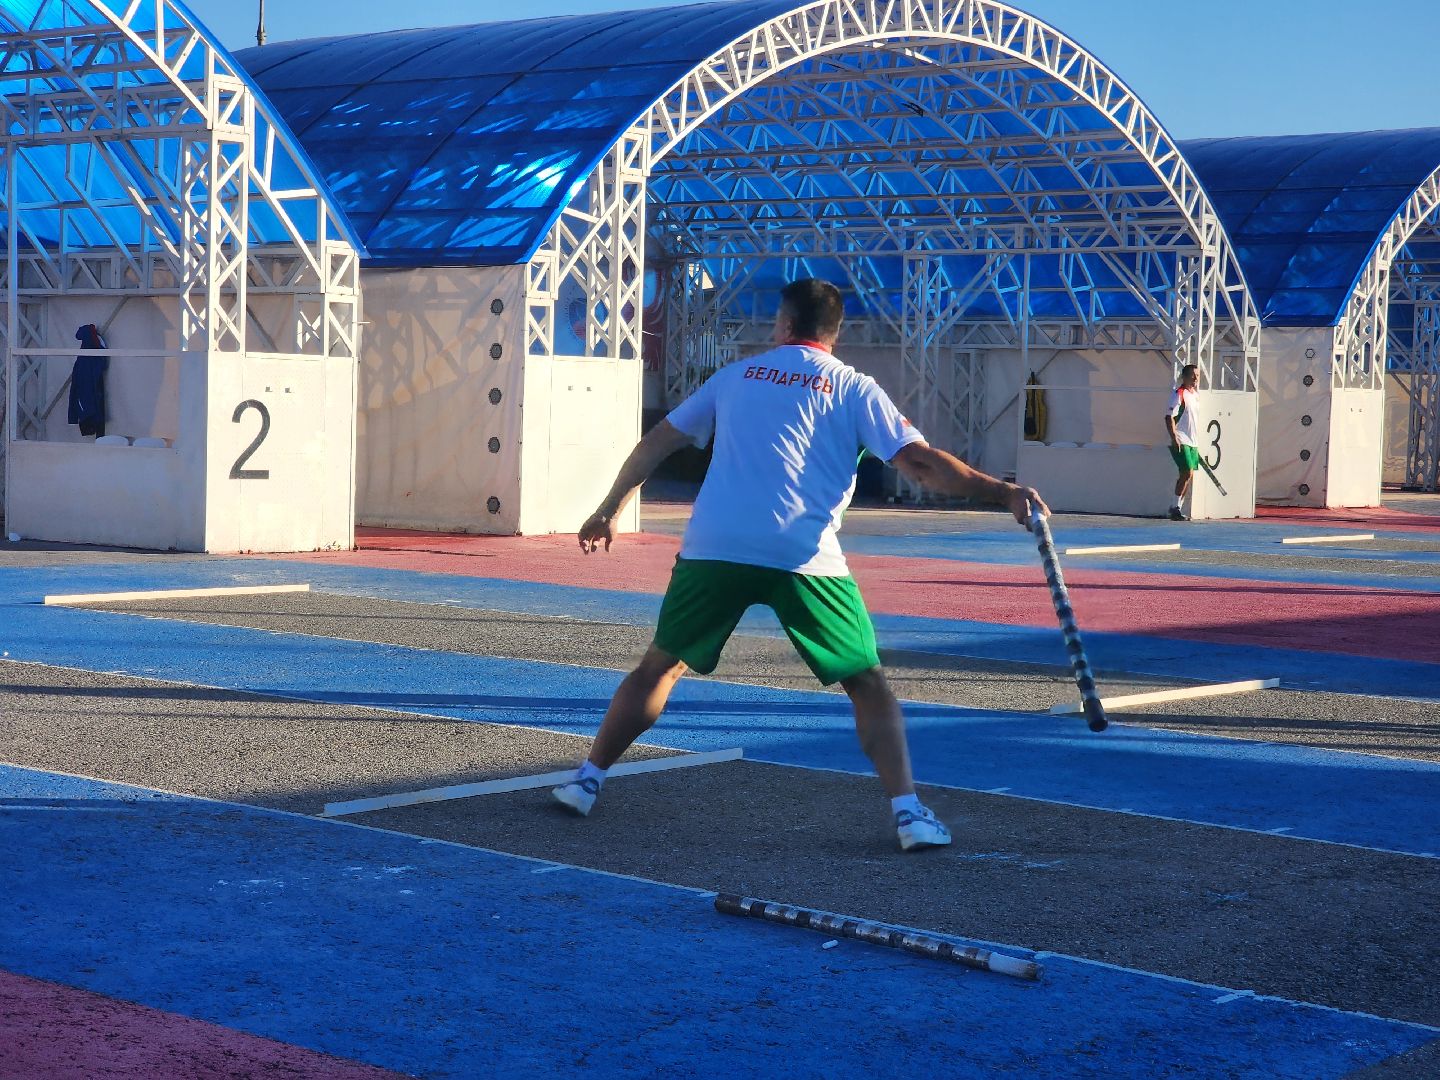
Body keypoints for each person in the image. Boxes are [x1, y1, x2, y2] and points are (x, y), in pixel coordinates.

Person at [552, 278, 1049, 852]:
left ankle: (586, 781)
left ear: (783, 325)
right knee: (867, 684)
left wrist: (608, 508)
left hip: (717, 544)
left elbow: (655, 445)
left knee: (659, 669)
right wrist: (1003, 493)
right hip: (804, 553)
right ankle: (909, 814)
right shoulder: (855, 388)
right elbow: (920, 464)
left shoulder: (736, 376)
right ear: (835, 334)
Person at [1164, 364, 1202, 520]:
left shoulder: (1195, 395)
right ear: (1184, 377)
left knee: (1188, 475)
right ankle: (1175, 508)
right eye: (1193, 375)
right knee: (1187, 471)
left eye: (1198, 376)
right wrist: (1174, 438)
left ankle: (1176, 507)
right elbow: (1169, 417)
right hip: (1181, 439)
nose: (1195, 378)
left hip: (1193, 441)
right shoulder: (1178, 394)